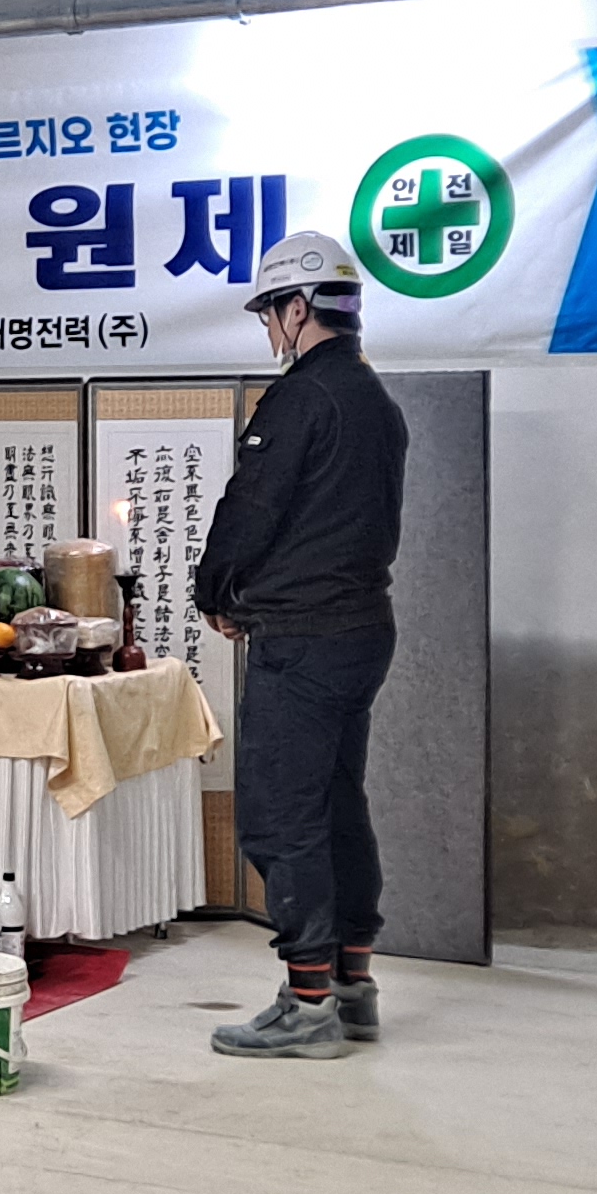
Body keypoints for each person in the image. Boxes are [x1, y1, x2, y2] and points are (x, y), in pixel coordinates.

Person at [192, 228, 408, 1059]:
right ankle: (354, 986)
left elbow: (253, 508)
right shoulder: (375, 401)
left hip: (304, 642)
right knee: (338, 807)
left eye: (271, 314)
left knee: (283, 817)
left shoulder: (300, 399)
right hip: (362, 631)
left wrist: (217, 589)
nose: (270, 330)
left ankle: (308, 1004)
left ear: (297, 308)